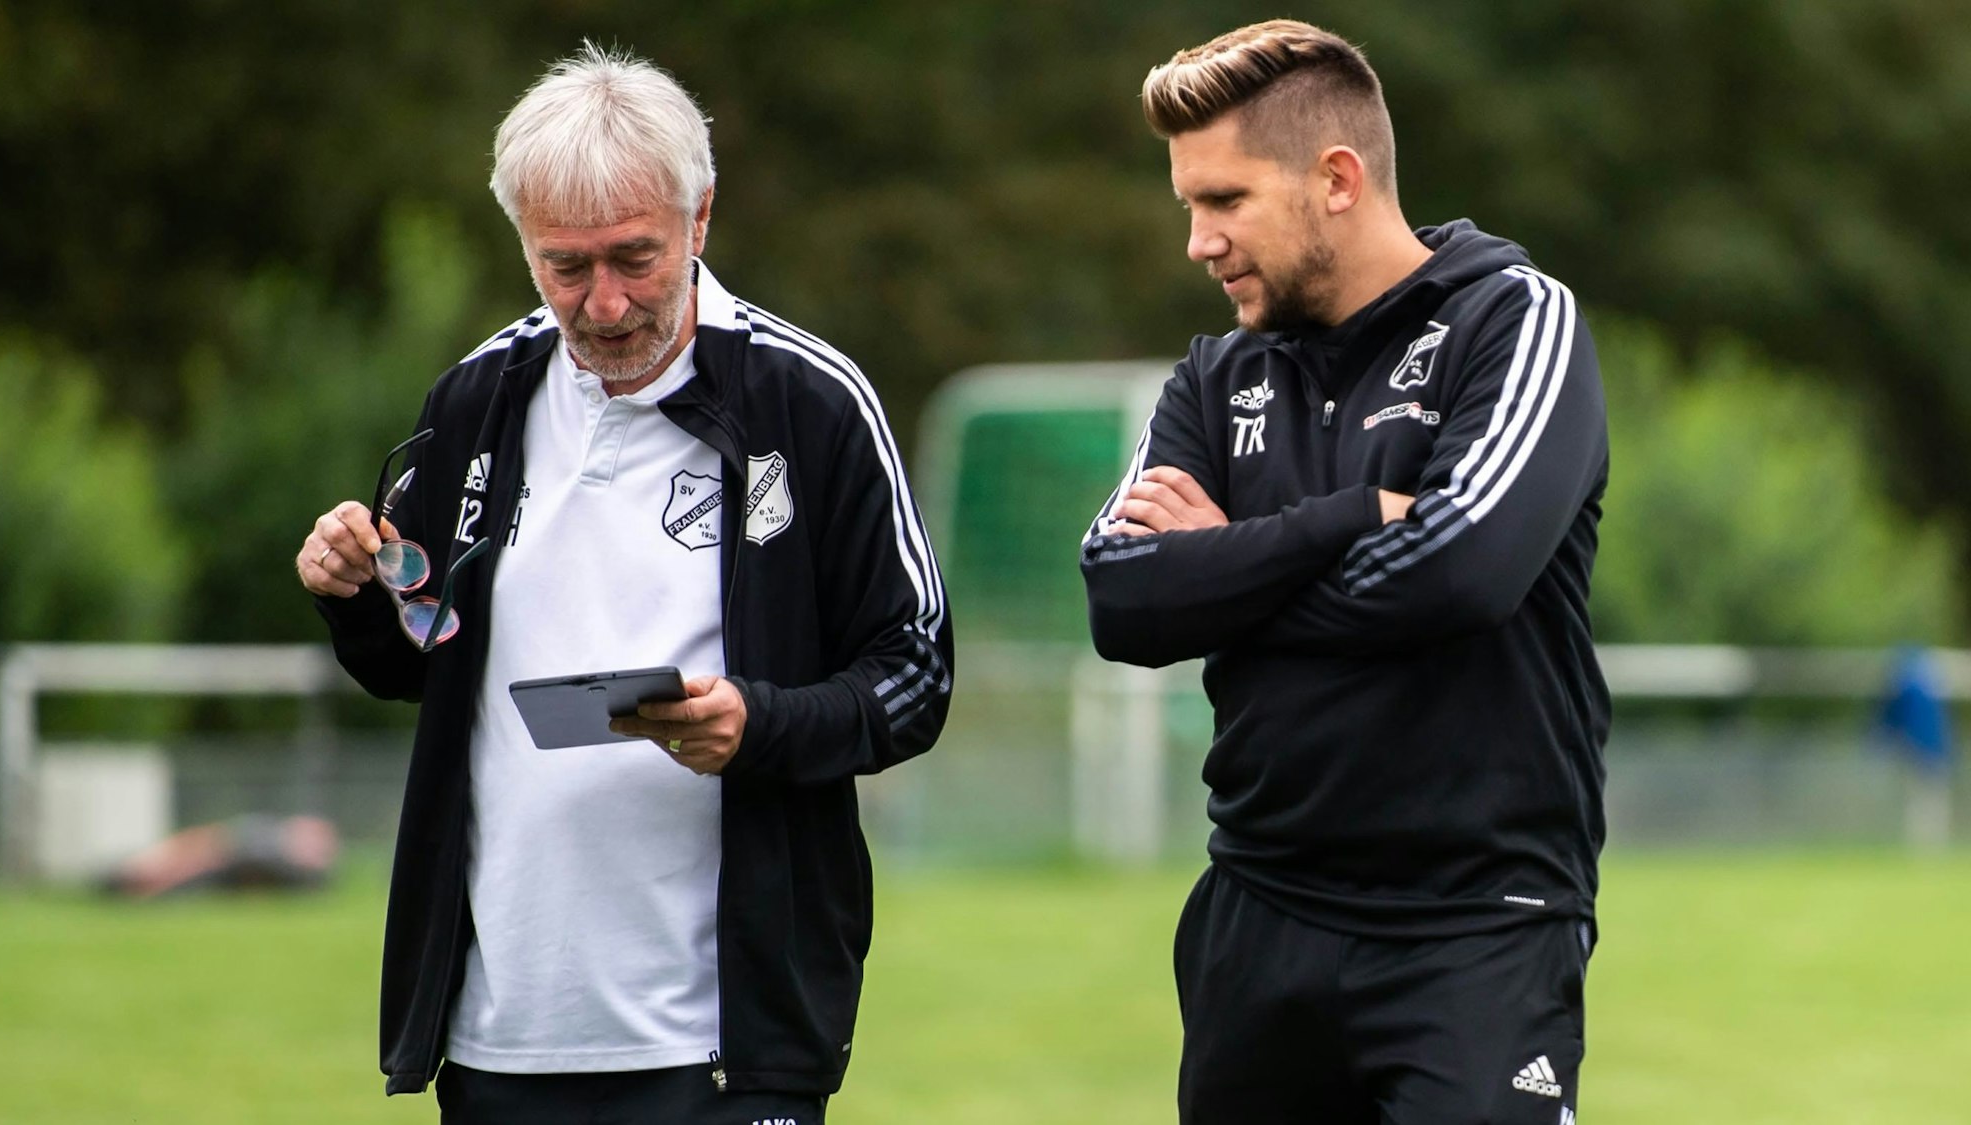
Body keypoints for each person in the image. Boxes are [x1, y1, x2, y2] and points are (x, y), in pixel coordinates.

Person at [296, 43, 951, 1124]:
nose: (602, 304)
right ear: (522, 246)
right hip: (497, 1030)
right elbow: (415, 651)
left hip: (726, 1041)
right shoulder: (472, 405)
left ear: (700, 221)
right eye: (564, 266)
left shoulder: (811, 403)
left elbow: (914, 674)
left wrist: (762, 723)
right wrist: (352, 588)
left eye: (634, 258)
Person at [1080, 20, 1608, 1125]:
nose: (1196, 242)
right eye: (1188, 205)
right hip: (1257, 914)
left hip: (1475, 928)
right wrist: (1356, 516)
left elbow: (1458, 575)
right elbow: (1123, 601)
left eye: (1222, 202)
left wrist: (1222, 564)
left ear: (1334, 179)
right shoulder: (1213, 377)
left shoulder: (1512, 321)